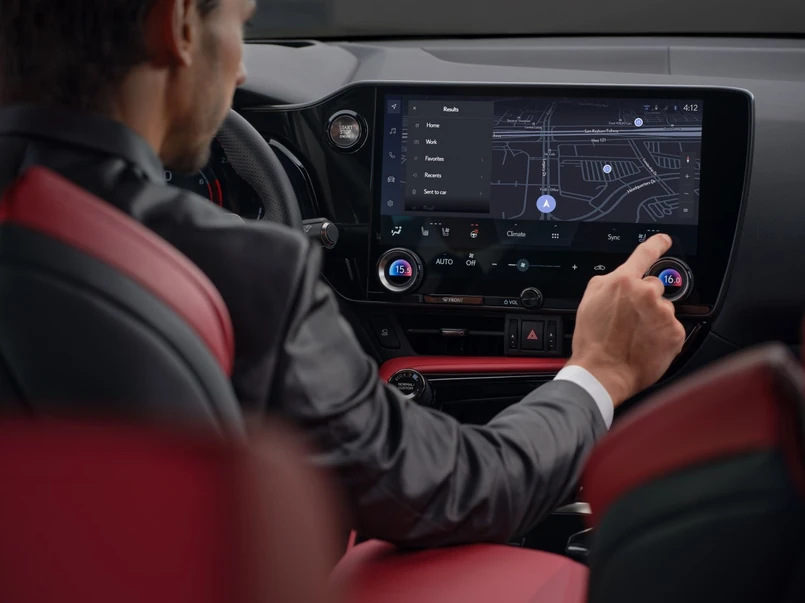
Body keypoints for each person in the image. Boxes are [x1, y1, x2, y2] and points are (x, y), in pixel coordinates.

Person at [0, 0, 686, 547]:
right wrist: (600, 370)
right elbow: (456, 491)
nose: (240, 69)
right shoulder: (243, 272)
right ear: (178, 24)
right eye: (240, 24)